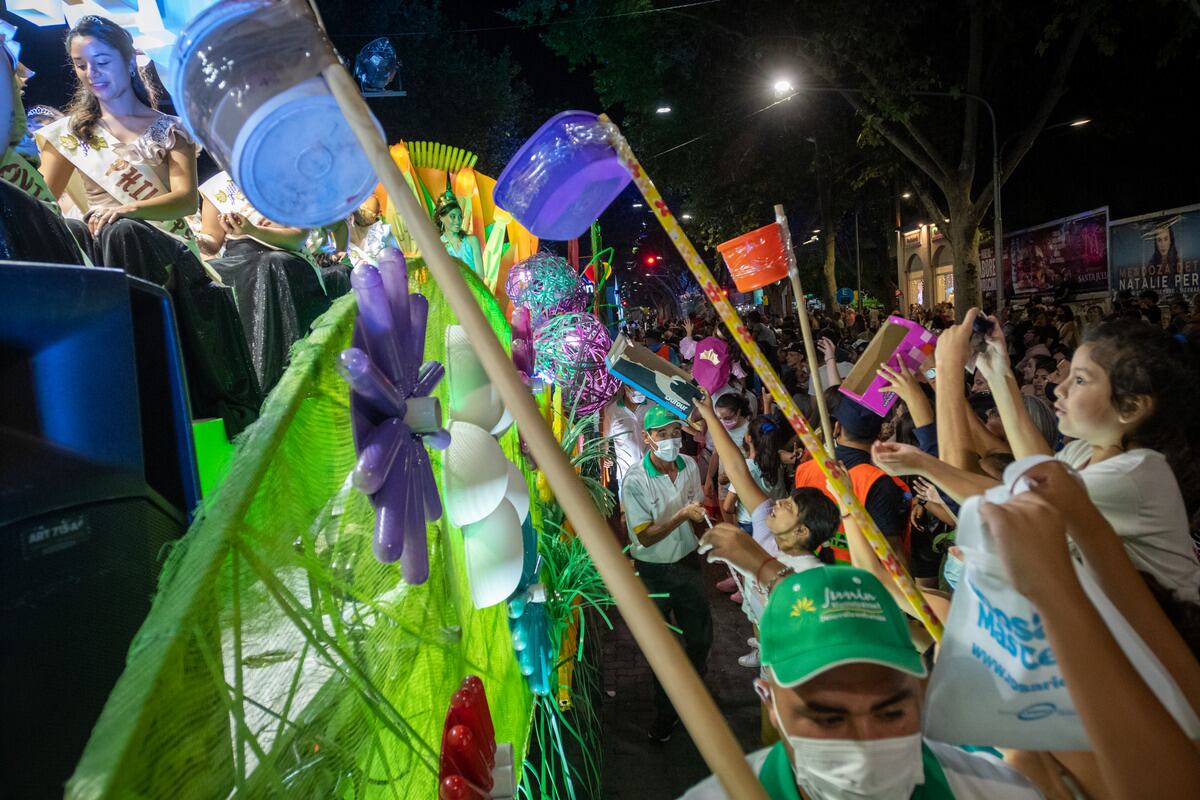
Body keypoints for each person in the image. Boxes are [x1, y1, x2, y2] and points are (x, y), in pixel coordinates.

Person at [36, 15, 261, 434]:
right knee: (84, 233)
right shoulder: (69, 135)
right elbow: (42, 201)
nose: (92, 74)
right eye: (81, 65)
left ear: (127, 60)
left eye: (101, 61)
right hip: (99, 247)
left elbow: (184, 200)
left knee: (125, 233)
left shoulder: (168, 130)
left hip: (164, 248)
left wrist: (128, 211)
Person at [678, 567, 1045, 800]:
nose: (865, 746)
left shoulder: (998, 791)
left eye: (890, 712)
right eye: (829, 719)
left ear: (921, 691)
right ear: (769, 701)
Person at [619, 405, 710, 742]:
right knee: (664, 648)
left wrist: (703, 529)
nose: (672, 440)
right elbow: (643, 535)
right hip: (653, 571)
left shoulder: (689, 467)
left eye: (676, 433)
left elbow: (696, 505)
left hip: (688, 564)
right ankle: (667, 716)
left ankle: (697, 689)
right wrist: (682, 516)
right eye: (663, 434)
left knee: (700, 636)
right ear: (647, 438)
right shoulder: (636, 481)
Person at [198, 170, 334, 393]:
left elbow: (297, 237)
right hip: (235, 258)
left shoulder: (294, 178)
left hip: (283, 254)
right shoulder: (217, 186)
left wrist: (252, 230)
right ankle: (228, 387)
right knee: (207, 278)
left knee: (269, 264)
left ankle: (279, 380)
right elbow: (212, 241)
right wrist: (199, 241)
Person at [794, 391, 911, 561]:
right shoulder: (878, 482)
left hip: (812, 571)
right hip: (858, 582)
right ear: (878, 436)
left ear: (837, 428)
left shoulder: (805, 469)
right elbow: (893, 554)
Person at [602, 382, 649, 491]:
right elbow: (606, 438)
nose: (639, 391)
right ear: (625, 388)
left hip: (652, 471)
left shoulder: (652, 407)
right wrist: (605, 455)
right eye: (635, 387)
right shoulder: (612, 411)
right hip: (627, 472)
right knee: (628, 507)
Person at [435, 182, 482, 278]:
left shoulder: (472, 241)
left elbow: (480, 276)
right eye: (452, 216)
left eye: (460, 217)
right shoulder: (437, 246)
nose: (458, 221)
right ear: (441, 218)